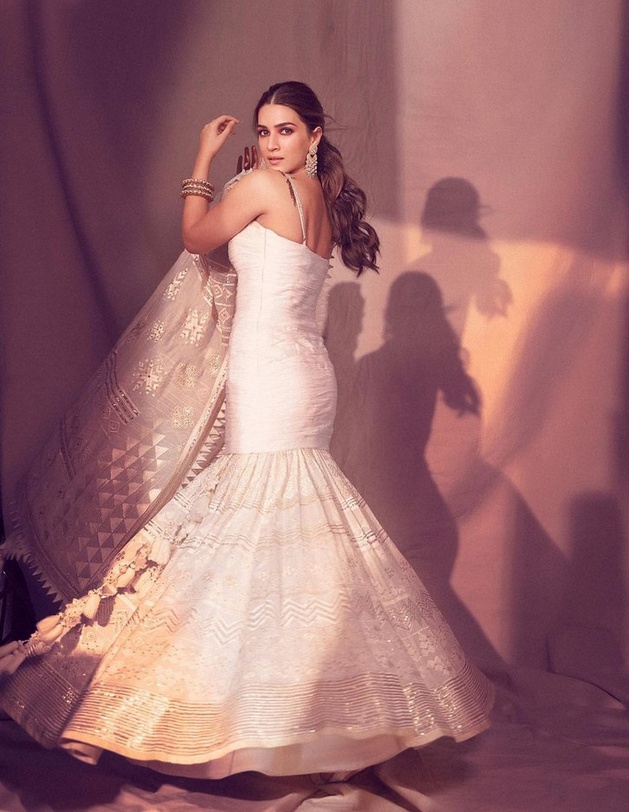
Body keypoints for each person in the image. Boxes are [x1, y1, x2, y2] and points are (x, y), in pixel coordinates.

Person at [0, 81, 493, 779]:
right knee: (291, 527)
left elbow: (196, 239)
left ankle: (242, 715)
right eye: (263, 131)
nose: (269, 143)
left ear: (314, 136)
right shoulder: (321, 201)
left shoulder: (263, 187)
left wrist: (202, 161)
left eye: (285, 130)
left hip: (267, 374)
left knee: (253, 525)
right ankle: (297, 716)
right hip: (307, 375)